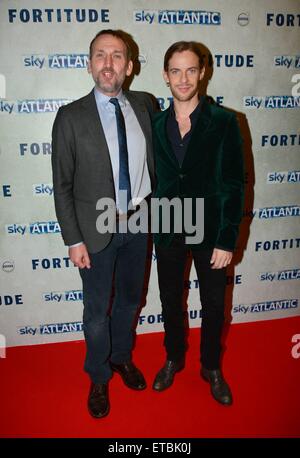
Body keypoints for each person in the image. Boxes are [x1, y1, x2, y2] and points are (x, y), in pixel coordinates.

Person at [51, 29, 155, 418]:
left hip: (139, 222)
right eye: (100, 55)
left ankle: (121, 357)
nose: (108, 63)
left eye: (116, 56)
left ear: (129, 66)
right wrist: (73, 238)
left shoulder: (146, 105)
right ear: (89, 63)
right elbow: (62, 185)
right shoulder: (70, 116)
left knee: (130, 300)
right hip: (94, 231)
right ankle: (98, 375)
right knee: (97, 311)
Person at [152, 41, 244, 405]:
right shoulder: (155, 123)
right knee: (171, 299)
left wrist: (227, 238)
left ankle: (211, 366)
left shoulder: (225, 121)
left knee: (213, 305)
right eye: (176, 70)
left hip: (210, 229)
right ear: (165, 75)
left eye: (191, 69)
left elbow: (234, 183)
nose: (184, 78)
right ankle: (174, 357)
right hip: (168, 226)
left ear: (202, 72)